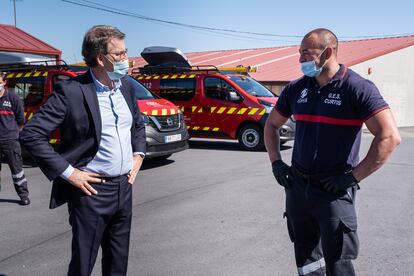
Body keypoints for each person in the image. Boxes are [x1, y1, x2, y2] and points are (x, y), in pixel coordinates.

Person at [264, 28, 401, 276]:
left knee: (338, 260)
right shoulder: (296, 89)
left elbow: (390, 136)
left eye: (306, 53)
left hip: (334, 190)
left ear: (327, 52)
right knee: (305, 255)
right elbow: (271, 125)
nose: (300, 59)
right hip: (298, 188)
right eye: (299, 53)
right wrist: (276, 163)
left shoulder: (357, 88)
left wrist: (352, 177)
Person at [20, 25, 146, 276]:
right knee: (83, 264)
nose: (126, 59)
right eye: (120, 54)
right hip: (90, 194)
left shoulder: (128, 86)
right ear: (101, 58)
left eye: (126, 52)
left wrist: (138, 154)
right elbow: (31, 135)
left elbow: (138, 124)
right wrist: (69, 173)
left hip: (124, 188)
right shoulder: (72, 91)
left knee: (118, 264)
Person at [0, 72, 30, 205]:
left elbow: (21, 119)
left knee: (17, 170)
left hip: (10, 140)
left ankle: (23, 195)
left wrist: (13, 133)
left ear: (4, 82)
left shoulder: (12, 98)